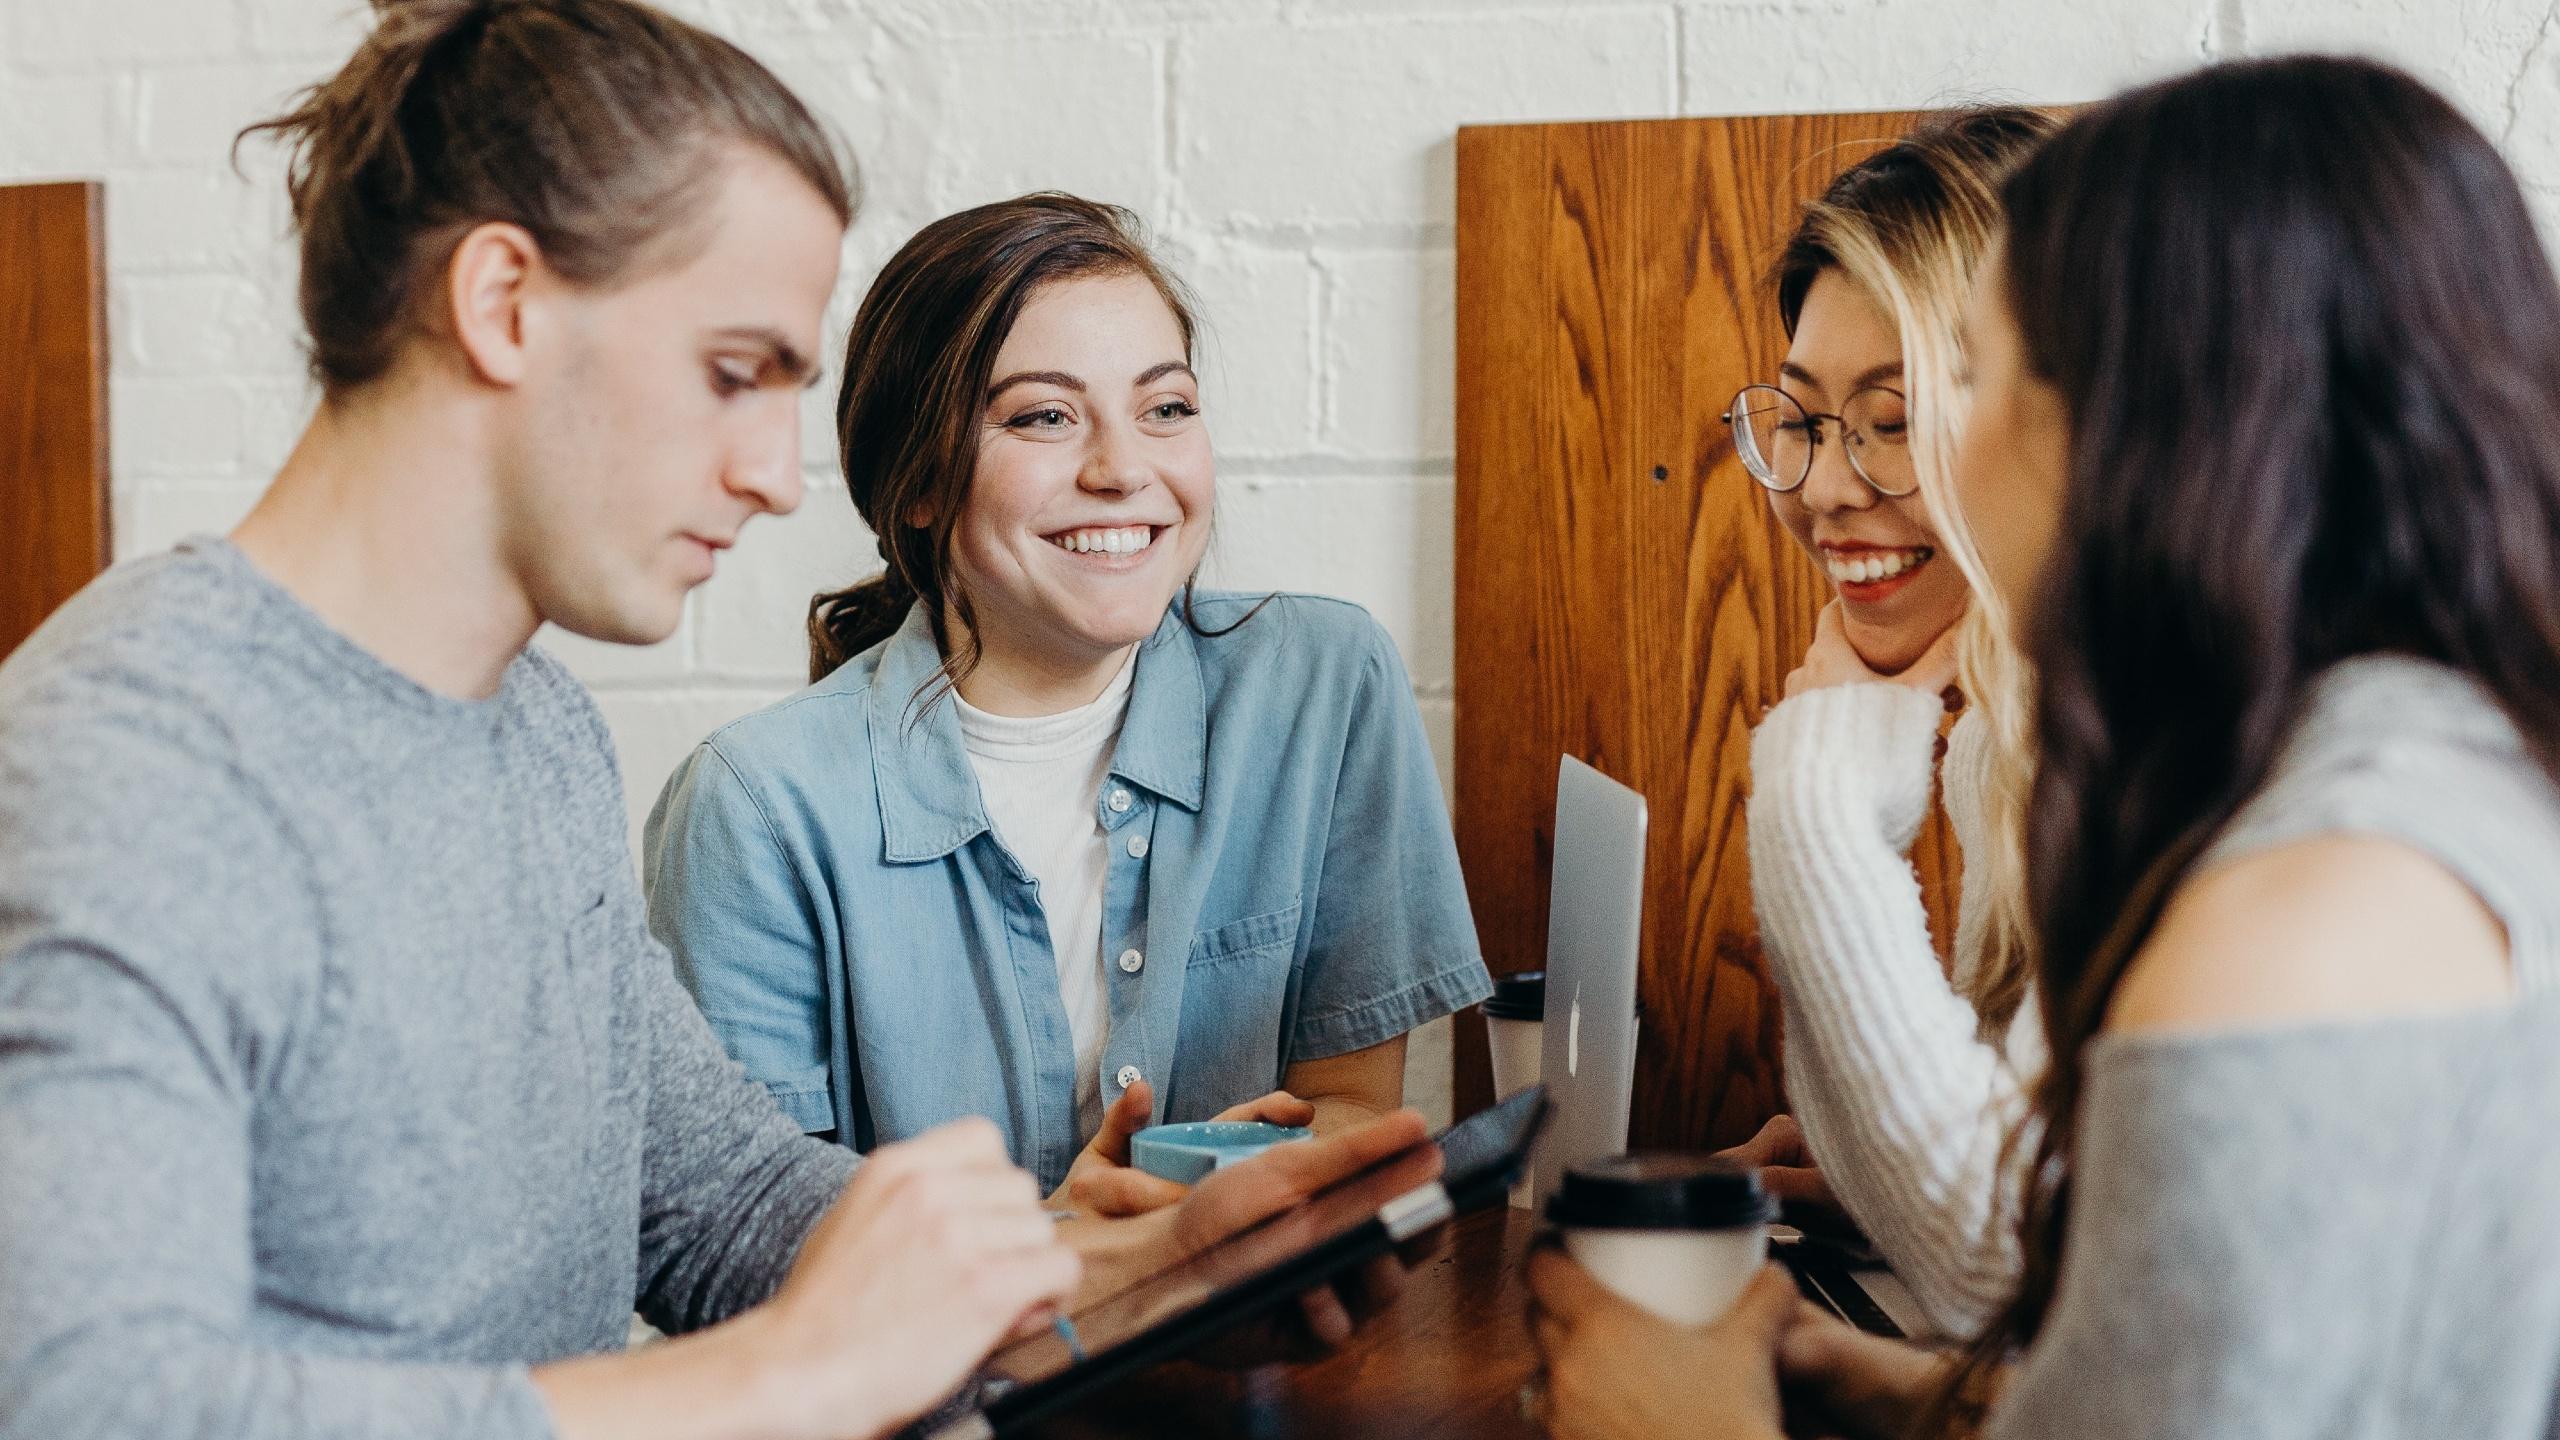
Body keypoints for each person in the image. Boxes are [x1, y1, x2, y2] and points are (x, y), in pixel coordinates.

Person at [0, 6, 1426, 1439]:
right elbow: (84, 1403)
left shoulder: (530, 730)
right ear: (501, 304)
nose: (771, 476)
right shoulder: (129, 763)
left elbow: (720, 1205)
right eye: (734, 372)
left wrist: (1122, 1273)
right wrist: (789, 1377)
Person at [1529, 55, 2560, 1439]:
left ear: (2151, 422)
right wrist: (1906, 1390)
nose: (1859, 475)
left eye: (1963, 377)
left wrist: (1685, 1423)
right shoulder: (2436, 774)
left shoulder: (2298, 914)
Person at [643, 192, 1492, 1208]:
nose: (1123, 468)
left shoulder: (1322, 686)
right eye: (1043, 416)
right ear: (915, 481)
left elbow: (1353, 1106)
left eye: (1165, 408)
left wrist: (1257, 1180)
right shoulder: (753, 807)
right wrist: (1075, 1254)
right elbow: (751, 1244)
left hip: (1253, 1350)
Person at [1718, 108, 2055, 1338]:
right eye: (1801, 420)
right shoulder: (2004, 734)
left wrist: (1814, 795)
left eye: (1895, 419)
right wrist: (1871, 1171)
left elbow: (1997, 1272)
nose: (1821, 487)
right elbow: (2026, 1225)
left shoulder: (2147, 742)